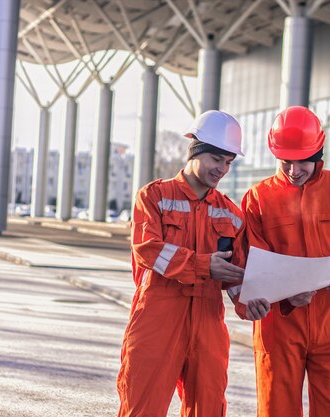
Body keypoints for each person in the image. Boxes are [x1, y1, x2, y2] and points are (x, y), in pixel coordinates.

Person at [235, 106, 330, 417]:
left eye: (301, 160)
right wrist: (284, 294)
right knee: (277, 410)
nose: (293, 169)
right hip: (280, 324)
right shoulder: (258, 198)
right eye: (285, 161)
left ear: (319, 152)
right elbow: (251, 261)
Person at [117, 110, 247, 417]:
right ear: (196, 151)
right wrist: (203, 266)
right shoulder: (154, 197)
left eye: (229, 162)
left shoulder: (232, 214)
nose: (223, 169)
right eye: (217, 159)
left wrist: (249, 301)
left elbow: (235, 273)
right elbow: (147, 249)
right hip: (159, 316)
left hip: (208, 323)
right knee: (142, 406)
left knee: (209, 408)